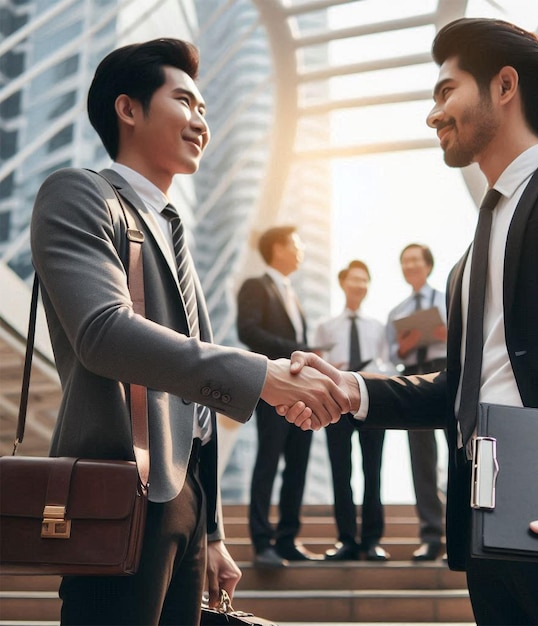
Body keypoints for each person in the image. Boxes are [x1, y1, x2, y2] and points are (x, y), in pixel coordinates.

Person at [285, 17, 538, 625]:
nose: (432, 113)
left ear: (504, 86)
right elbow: (460, 392)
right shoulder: (466, 261)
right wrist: (355, 390)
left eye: (445, 91)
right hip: (488, 531)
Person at [29, 39, 348, 625]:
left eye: (205, 109)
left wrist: (213, 530)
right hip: (117, 492)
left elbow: (195, 403)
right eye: (185, 103)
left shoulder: (175, 231)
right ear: (128, 110)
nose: (202, 122)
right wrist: (261, 376)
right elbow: (103, 334)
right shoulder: (79, 195)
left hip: (184, 506)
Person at [237, 226, 322, 567]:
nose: (302, 248)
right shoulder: (256, 286)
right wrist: (297, 351)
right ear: (278, 248)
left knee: (298, 464)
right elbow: (249, 331)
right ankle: (262, 542)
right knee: (269, 460)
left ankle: (287, 539)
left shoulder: (292, 292)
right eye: (297, 243)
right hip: (272, 387)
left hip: (302, 391)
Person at [315, 260, 390, 561]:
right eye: (354, 279)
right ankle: (346, 539)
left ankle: (372, 541)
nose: (359, 285)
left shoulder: (379, 328)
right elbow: (316, 363)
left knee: (373, 471)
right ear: (343, 283)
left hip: (373, 399)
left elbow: (389, 363)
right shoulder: (326, 327)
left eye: (364, 280)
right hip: (337, 401)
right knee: (340, 471)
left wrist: (376, 372)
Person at [386, 243, 446, 561]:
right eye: (404, 260)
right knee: (420, 457)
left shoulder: (448, 299)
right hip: (412, 376)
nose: (409, 265)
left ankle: (461, 530)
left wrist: (445, 333)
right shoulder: (398, 312)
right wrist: (405, 345)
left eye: (414, 259)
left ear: (427, 264)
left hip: (446, 371)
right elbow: (391, 353)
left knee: (461, 451)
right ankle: (431, 535)